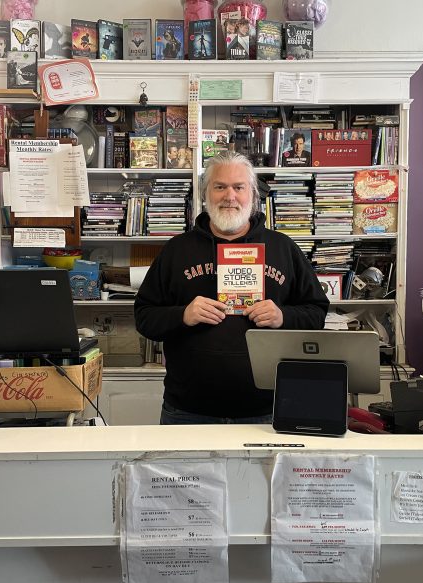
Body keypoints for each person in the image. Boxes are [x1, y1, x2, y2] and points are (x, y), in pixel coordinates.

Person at [134, 151, 329, 424]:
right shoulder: (177, 250)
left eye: (239, 187)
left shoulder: (283, 248)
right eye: (220, 187)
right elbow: (144, 317)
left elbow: (317, 313)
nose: (230, 196)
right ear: (205, 194)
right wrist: (183, 315)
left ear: (253, 195)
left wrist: (283, 317)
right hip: (188, 411)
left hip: (268, 409)